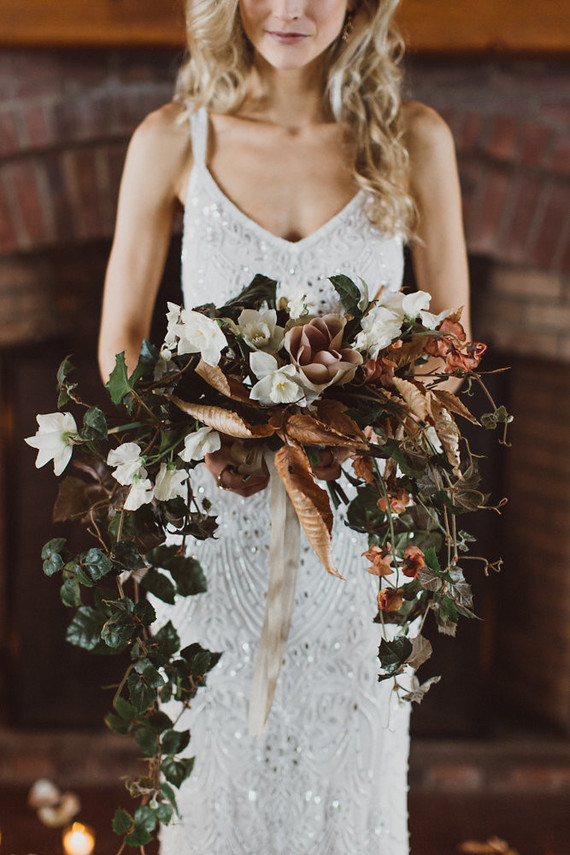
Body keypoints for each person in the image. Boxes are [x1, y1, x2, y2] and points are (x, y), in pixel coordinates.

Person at [98, 1, 470, 852]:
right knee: (216, 783)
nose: (290, 8)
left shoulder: (414, 140)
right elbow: (121, 342)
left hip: (359, 533)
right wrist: (211, 423)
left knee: (349, 786)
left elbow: (450, 350)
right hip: (215, 527)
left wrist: (358, 423)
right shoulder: (172, 141)